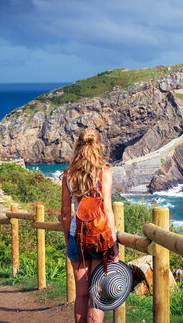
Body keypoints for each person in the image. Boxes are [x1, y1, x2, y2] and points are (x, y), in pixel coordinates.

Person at [61, 128, 118, 323]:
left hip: (76, 237)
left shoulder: (68, 173)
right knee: (97, 295)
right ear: (98, 146)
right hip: (100, 239)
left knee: (81, 295)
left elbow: (65, 213)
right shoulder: (104, 171)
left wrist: (68, 238)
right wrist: (114, 244)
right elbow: (108, 210)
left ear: (78, 145)